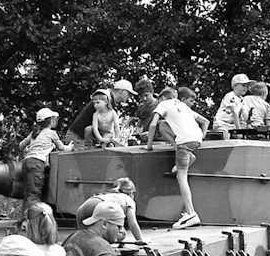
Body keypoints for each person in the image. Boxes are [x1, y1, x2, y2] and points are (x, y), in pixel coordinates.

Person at [145, 87, 209, 229]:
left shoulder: (163, 104)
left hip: (184, 142)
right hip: (196, 139)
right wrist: (202, 137)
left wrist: (149, 146)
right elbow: (205, 121)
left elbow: (153, 124)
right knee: (163, 126)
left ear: (162, 98)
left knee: (181, 177)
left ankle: (191, 213)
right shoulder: (183, 106)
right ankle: (190, 156)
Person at [19, 107, 73, 215]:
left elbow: (21, 145)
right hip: (37, 163)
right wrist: (70, 147)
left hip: (26, 162)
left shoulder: (34, 133)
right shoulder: (52, 133)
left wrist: (28, 148)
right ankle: (32, 219)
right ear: (51, 120)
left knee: (28, 193)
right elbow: (62, 148)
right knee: (35, 194)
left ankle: (24, 217)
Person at [64, 81, 135, 150]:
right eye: (129, 94)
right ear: (122, 91)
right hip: (78, 138)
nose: (130, 97)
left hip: (84, 137)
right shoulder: (105, 100)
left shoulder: (108, 100)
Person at [75, 178, 147, 244]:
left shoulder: (110, 195)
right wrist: (140, 240)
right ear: (131, 193)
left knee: (83, 237)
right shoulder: (129, 200)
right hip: (99, 206)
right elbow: (133, 224)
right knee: (121, 233)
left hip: (82, 208)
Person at [212, 73, 250, 138]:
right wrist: (238, 129)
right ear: (235, 86)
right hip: (221, 123)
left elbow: (245, 114)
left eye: (247, 86)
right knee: (226, 136)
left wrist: (248, 124)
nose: (246, 88)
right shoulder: (230, 96)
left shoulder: (243, 100)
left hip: (231, 125)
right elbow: (235, 112)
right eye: (243, 85)